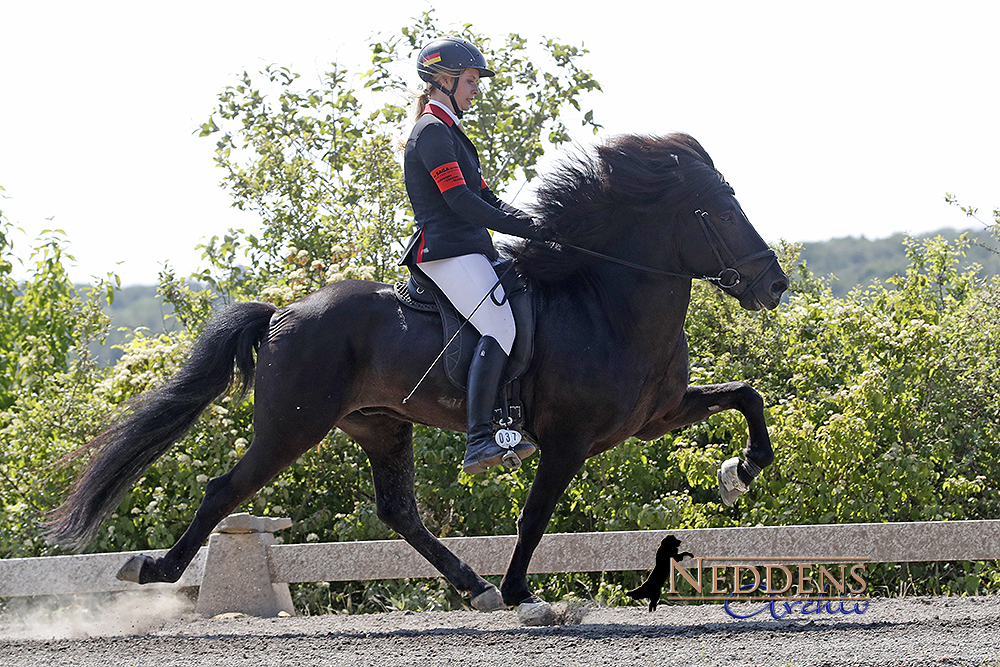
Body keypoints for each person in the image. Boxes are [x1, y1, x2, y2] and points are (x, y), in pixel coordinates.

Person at [400, 36, 540, 474]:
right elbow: (461, 201)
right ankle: (480, 438)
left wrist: (537, 225)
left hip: (470, 248)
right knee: (498, 325)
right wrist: (518, 228)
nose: (475, 88)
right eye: (471, 80)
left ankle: (511, 415)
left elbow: (488, 198)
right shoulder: (431, 132)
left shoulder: (451, 133)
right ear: (444, 80)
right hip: (445, 250)